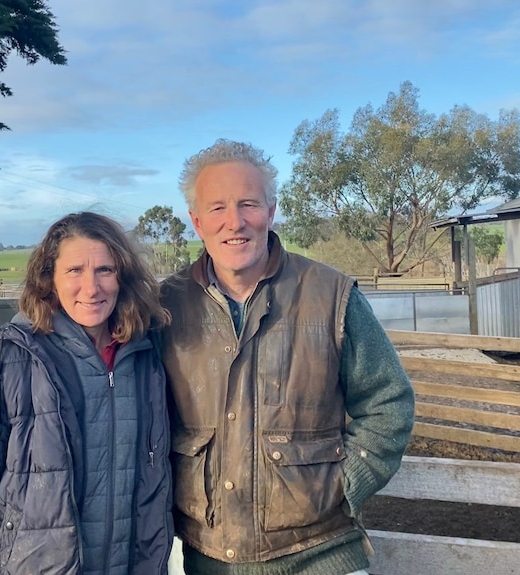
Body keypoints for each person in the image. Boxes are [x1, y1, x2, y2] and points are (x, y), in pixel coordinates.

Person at [159, 139, 415, 575]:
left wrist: (344, 484)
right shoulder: (165, 306)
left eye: (248, 204)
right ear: (197, 222)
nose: (234, 222)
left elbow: (387, 402)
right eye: (217, 208)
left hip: (323, 554)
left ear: (271, 210)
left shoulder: (331, 295)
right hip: (209, 559)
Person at [0, 212, 174, 574]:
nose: (91, 288)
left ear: (123, 277)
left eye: (105, 270)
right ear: (49, 280)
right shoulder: (5, 366)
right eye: (75, 270)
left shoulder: (147, 362)